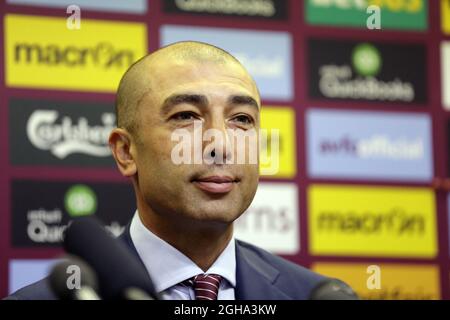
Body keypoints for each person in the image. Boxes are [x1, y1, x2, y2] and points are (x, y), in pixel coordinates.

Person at [5, 41, 341, 300]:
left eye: (241, 119)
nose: (220, 144)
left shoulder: (317, 294)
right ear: (125, 151)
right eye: (186, 116)